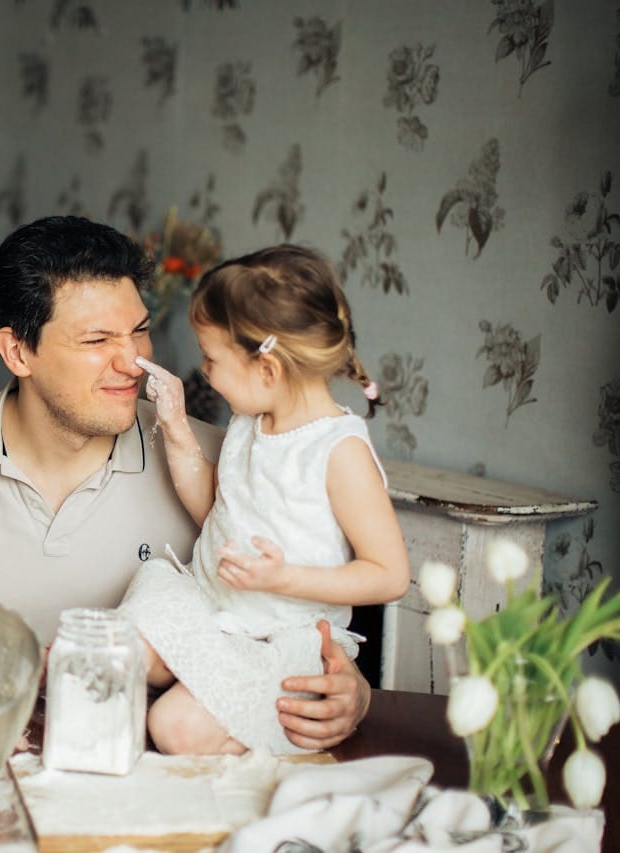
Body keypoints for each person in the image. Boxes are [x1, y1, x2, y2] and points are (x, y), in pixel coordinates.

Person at [0, 216, 372, 751]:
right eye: (97, 339)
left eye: (139, 331)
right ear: (18, 352)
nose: (133, 361)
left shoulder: (229, 463)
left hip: (175, 791)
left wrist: (353, 693)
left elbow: (294, 618)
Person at [121, 244, 410, 756]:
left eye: (212, 358)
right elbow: (216, 508)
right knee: (119, 652)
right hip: (213, 608)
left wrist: (284, 579)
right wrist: (174, 426)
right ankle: (214, 691)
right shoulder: (251, 422)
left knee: (173, 728)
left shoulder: (337, 452)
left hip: (281, 638)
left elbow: (389, 574)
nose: (204, 371)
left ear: (268, 370)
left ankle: (255, 728)